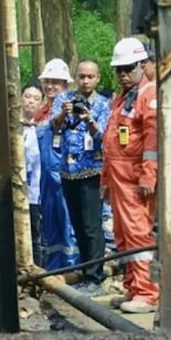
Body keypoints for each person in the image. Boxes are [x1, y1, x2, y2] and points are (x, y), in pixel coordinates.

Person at [102, 37, 158, 314]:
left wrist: (149, 176)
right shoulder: (123, 98)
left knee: (138, 235)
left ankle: (146, 292)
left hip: (135, 178)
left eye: (128, 68)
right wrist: (105, 180)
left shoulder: (148, 95)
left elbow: (153, 141)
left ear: (142, 65)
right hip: (118, 178)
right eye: (119, 69)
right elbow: (111, 141)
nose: (123, 74)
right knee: (123, 236)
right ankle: (133, 288)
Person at [51, 59, 111, 295]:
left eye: (90, 76)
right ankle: (86, 272)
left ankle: (95, 277)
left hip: (92, 172)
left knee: (91, 225)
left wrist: (90, 121)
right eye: (81, 76)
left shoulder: (104, 105)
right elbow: (53, 128)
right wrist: (62, 115)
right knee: (77, 224)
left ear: (98, 79)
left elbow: (104, 139)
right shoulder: (63, 100)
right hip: (68, 171)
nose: (85, 81)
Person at [35, 59, 79, 271]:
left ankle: (73, 268)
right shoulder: (41, 111)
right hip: (45, 178)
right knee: (51, 225)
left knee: (68, 223)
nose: (50, 86)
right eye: (48, 81)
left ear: (65, 85)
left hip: (63, 174)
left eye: (56, 82)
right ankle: (54, 268)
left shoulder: (70, 109)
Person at [21, 85, 44, 267]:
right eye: (27, 96)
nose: (30, 101)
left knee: (35, 235)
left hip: (36, 191)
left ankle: (36, 274)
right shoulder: (11, 126)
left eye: (36, 98)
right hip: (16, 191)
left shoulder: (42, 128)